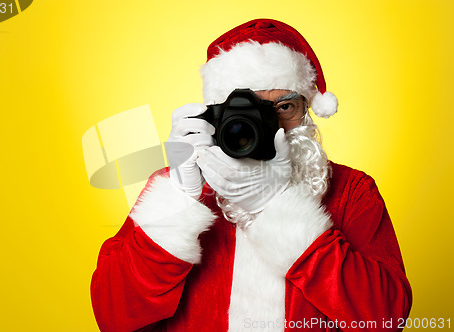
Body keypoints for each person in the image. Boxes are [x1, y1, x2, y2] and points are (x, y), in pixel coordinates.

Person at [90, 19, 412, 331]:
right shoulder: (180, 183)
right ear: (215, 113)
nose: (268, 125)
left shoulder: (351, 191)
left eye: (285, 107)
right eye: (249, 109)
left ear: (307, 110)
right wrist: (179, 200)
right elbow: (114, 317)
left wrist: (277, 207)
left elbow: (385, 318)